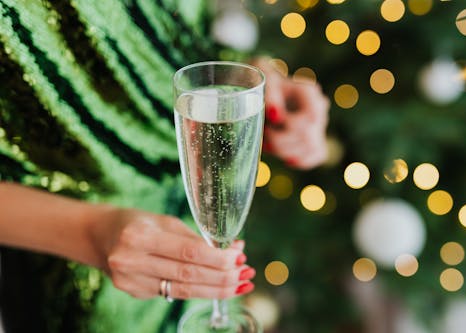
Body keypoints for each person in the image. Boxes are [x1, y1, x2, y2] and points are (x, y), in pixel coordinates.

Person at [0, 0, 329, 332]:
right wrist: (91, 233)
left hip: (194, 225)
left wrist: (252, 81)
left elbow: (173, 33)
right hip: (89, 283)